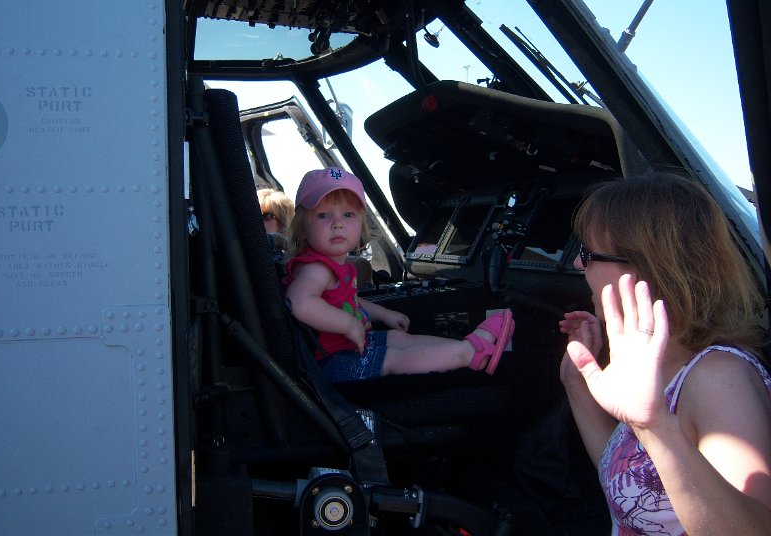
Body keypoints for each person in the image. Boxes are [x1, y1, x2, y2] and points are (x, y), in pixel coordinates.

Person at [558, 172, 771, 535]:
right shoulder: (662, 367)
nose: (578, 264)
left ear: (646, 269)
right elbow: (630, 486)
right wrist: (576, 381)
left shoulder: (718, 378)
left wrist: (655, 427)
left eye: (588, 253)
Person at [282, 167, 514, 383]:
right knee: (394, 359)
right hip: (332, 361)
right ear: (302, 226)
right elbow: (299, 302)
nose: (337, 224)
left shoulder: (334, 265)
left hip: (348, 346)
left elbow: (348, 300)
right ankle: (468, 354)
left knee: (398, 338)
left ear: (361, 224)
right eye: (323, 215)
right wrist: (349, 325)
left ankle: (468, 347)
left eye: (348, 214)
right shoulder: (316, 268)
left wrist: (384, 314)